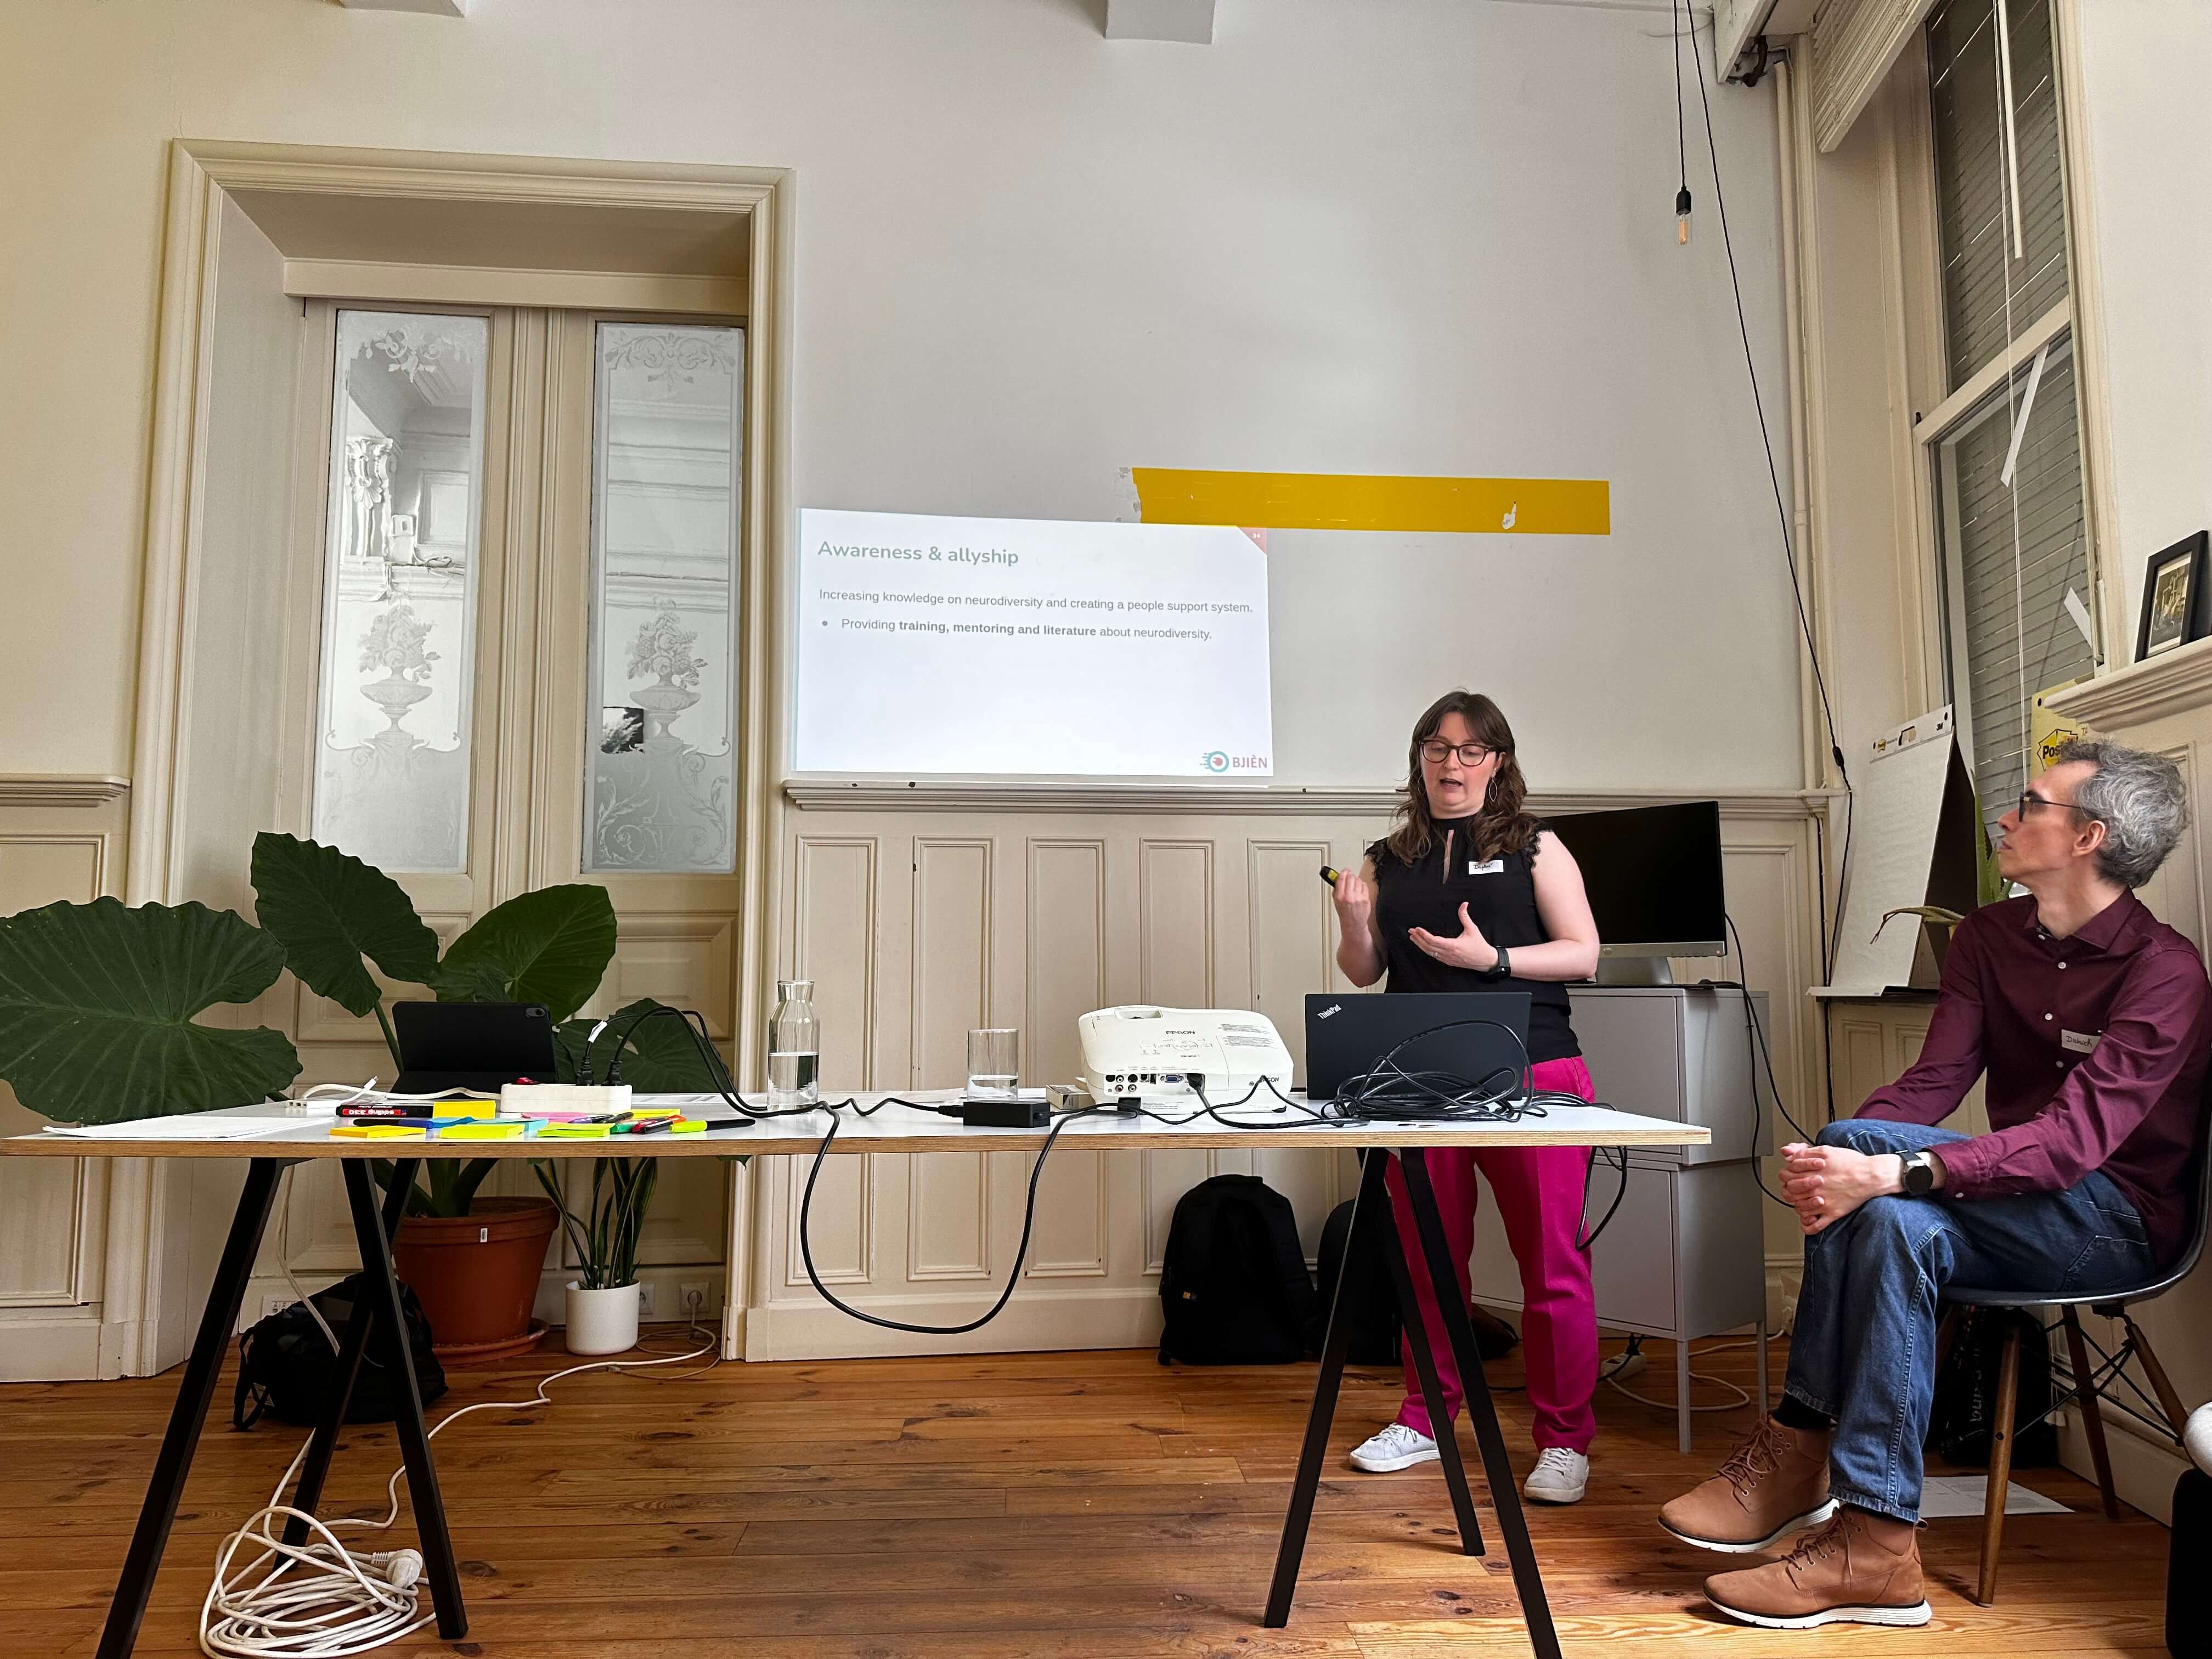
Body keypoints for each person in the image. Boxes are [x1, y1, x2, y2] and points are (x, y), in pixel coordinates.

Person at [1660, 738, 2212, 1629]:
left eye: (2029, 804)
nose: (2005, 816)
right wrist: (1847, 1169)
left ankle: (1803, 1446)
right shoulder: (1991, 937)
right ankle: (1878, 1549)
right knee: (1890, 1223)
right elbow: (1929, 1087)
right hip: (2010, 1200)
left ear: (2089, 838)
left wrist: (1883, 1168)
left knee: (1874, 1182)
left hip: (2114, 1219)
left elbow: (2073, 1146)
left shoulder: (2167, 975)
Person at [1329, 691, 1603, 1504]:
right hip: (1418, 1081)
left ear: (1499, 762)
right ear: (1419, 760)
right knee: (1427, 1261)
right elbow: (1361, 972)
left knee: (1551, 1267)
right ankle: (1425, 1415)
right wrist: (1352, 921)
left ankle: (1563, 1441)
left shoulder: (1538, 847)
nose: (1453, 764)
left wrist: (1493, 960)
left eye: (1471, 750)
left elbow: (1584, 954)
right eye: (1437, 748)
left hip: (1537, 1074)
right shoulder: (1386, 856)